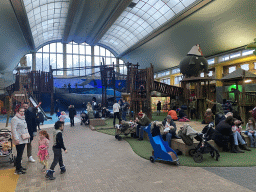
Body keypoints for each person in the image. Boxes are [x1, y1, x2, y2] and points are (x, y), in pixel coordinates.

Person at [11, 107, 29, 174]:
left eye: (23, 111)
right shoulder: (15, 119)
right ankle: (17, 169)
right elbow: (13, 130)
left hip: (23, 138)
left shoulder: (22, 118)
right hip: (19, 139)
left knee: (21, 154)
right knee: (19, 154)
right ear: (18, 111)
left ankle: (19, 166)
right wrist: (16, 139)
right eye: (21, 111)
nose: (22, 113)